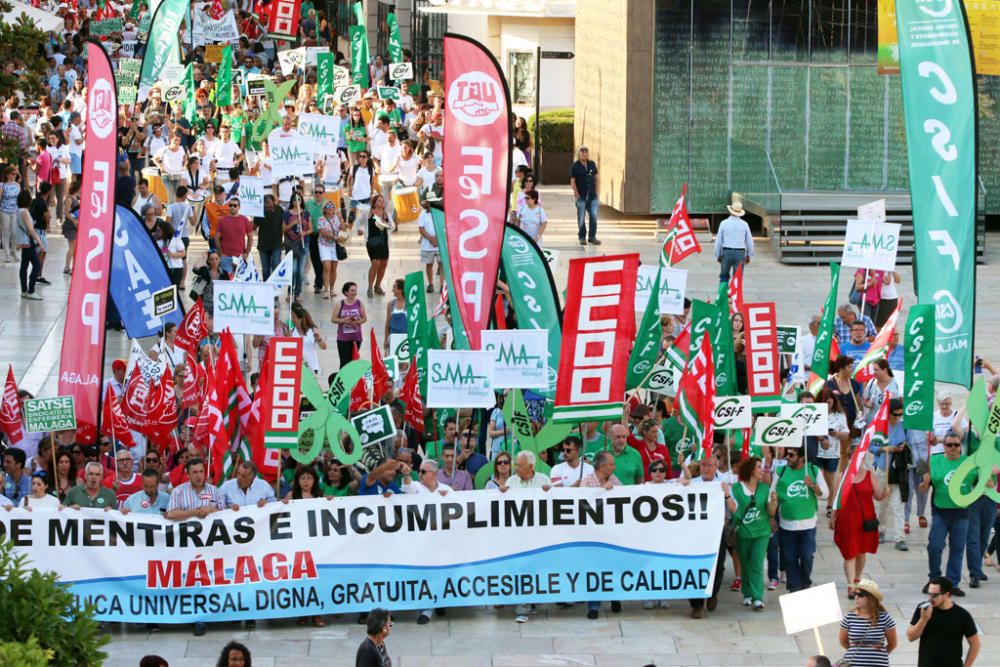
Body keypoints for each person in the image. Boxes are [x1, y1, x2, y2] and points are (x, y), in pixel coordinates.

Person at [918, 431, 974, 597]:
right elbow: (922, 489)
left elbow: (982, 483)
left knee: (957, 549)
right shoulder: (934, 461)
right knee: (934, 546)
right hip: (940, 512)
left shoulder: (969, 463)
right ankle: (934, 578)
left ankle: (952, 583)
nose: (953, 448)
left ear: (960, 446)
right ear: (944, 446)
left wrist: (988, 481)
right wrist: (925, 483)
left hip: (962, 513)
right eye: (949, 445)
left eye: (956, 445)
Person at [771, 446, 828, 592]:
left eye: (791, 455)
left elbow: (825, 494)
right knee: (790, 558)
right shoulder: (781, 471)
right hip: (787, 524)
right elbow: (772, 494)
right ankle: (794, 587)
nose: (787, 458)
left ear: (802, 458)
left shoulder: (813, 470)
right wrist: (772, 511)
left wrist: (813, 485)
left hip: (808, 524)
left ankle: (805, 582)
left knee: (807, 556)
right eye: (787, 454)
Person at [832, 451, 888, 595]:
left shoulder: (870, 475)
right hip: (847, 520)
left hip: (865, 520)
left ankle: (857, 578)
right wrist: (832, 517)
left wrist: (884, 493)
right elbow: (836, 500)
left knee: (861, 553)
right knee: (850, 553)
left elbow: (878, 496)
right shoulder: (842, 477)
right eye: (853, 457)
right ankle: (851, 585)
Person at [725, 456, 776, 610]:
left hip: (761, 532)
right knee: (745, 564)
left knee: (757, 564)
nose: (762, 470)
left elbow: (771, 512)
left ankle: (757, 597)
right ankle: (747, 593)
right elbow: (733, 510)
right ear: (750, 470)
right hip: (743, 532)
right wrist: (727, 494)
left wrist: (774, 502)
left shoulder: (765, 489)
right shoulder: (736, 488)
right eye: (759, 467)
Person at [906, 576, 981, 667]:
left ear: (947, 594)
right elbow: (911, 637)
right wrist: (923, 619)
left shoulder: (962, 615)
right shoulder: (923, 609)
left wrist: (967, 665)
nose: (930, 598)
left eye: (935, 595)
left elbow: (975, 644)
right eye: (929, 594)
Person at [838, 579, 897, 667]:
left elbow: (892, 644)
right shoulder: (849, 617)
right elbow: (843, 642)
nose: (856, 597)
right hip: (854, 663)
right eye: (855, 594)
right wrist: (858, 650)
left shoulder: (885, 618)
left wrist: (880, 654)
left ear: (871, 598)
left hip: (878, 663)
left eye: (860, 595)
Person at [714, 201, 753, 282]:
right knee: (737, 278)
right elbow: (749, 241)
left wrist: (717, 254)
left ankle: (723, 293)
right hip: (740, 252)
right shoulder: (744, 224)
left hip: (726, 251)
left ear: (730, 211)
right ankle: (735, 294)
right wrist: (749, 254)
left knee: (724, 276)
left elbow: (718, 241)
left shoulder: (723, 223)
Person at [15, 190, 42, 300]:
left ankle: (24, 290)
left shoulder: (18, 210)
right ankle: (31, 290)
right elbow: (30, 229)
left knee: (24, 266)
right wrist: (39, 242)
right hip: (28, 241)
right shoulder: (25, 212)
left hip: (23, 241)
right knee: (36, 265)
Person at [365, 194, 394, 297]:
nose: (382, 203)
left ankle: (377, 286)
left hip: (383, 241)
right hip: (372, 241)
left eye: (383, 201)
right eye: (379, 201)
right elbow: (360, 222)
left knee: (384, 263)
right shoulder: (369, 212)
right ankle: (369, 287)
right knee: (375, 263)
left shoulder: (386, 214)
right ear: (375, 202)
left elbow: (392, 225)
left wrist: (388, 224)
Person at [332, 281, 367, 369]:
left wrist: (358, 322)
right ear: (346, 292)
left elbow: (364, 318)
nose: (354, 293)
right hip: (343, 339)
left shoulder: (359, 303)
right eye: (352, 291)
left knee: (353, 362)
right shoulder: (340, 304)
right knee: (344, 362)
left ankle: (353, 382)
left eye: (355, 290)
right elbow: (333, 319)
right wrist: (344, 320)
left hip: (356, 337)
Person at [569, 146, 600, 245]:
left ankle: (592, 236)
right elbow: (572, 181)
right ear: (578, 154)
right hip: (581, 196)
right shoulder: (575, 166)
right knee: (581, 217)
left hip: (592, 196)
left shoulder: (592, 164)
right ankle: (582, 237)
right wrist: (577, 194)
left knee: (594, 216)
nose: (584, 153)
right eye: (582, 151)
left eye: (586, 151)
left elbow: (597, 178)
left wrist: (597, 192)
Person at [215, 198, 254, 274]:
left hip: (240, 256)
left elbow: (250, 236)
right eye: (230, 205)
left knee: (239, 281)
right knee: (227, 281)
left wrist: (247, 252)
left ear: (239, 207)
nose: (232, 207)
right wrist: (220, 253)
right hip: (225, 256)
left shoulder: (244, 220)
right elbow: (217, 237)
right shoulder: (222, 220)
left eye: (234, 205)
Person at [315, 200, 343, 300]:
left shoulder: (337, 219)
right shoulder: (321, 219)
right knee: (327, 267)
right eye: (328, 207)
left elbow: (343, 229)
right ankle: (326, 291)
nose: (330, 208)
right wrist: (335, 237)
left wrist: (342, 219)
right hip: (324, 244)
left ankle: (332, 289)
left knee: (334, 268)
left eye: (332, 207)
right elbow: (323, 232)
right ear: (325, 209)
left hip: (335, 246)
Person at [255, 194, 284, 280]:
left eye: (268, 202)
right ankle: (266, 288)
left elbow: (283, 225)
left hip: (276, 244)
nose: (266, 205)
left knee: (276, 264)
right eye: (264, 203)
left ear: (273, 202)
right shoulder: (259, 211)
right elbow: (254, 227)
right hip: (263, 245)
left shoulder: (279, 210)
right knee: (265, 269)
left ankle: (275, 288)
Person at [416, 199, 441, 292]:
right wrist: (431, 238)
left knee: (441, 264)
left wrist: (437, 239)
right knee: (429, 264)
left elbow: (444, 227)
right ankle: (431, 284)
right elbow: (421, 228)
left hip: (439, 244)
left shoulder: (440, 213)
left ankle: (442, 285)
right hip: (427, 245)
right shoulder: (423, 214)